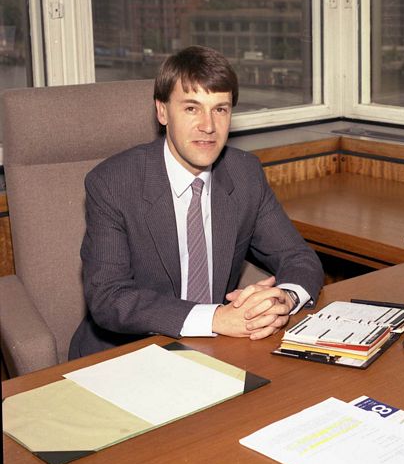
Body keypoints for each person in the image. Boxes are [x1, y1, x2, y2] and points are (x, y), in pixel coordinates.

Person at [69, 46, 324, 359]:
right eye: (192, 108)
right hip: (127, 353)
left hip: (216, 349)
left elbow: (299, 257)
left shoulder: (244, 174)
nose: (208, 126)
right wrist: (216, 318)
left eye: (220, 109)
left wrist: (284, 298)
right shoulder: (113, 183)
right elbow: (108, 298)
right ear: (162, 112)